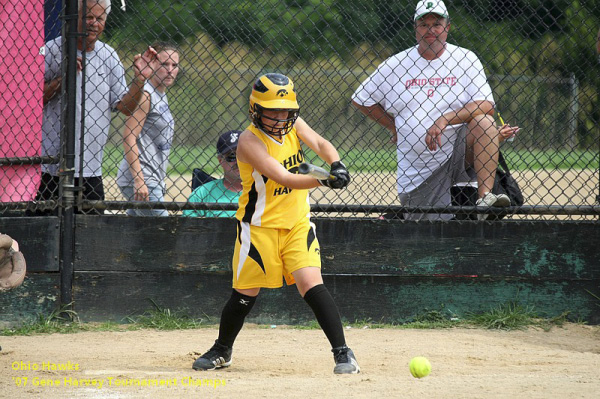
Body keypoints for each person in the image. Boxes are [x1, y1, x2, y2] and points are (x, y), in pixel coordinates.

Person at [192, 73, 359, 374]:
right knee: (245, 293)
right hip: (259, 227)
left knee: (310, 282)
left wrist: (336, 164)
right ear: (256, 109)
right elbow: (284, 177)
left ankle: (343, 353)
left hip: (296, 222)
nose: (280, 117)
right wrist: (325, 181)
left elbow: (321, 143)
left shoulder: (293, 124)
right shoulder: (249, 140)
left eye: (285, 110)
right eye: (272, 110)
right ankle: (222, 349)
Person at [352, 0, 519, 221]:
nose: (430, 30)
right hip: (420, 173)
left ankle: (485, 198)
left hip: (459, 156)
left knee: (484, 122)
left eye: (437, 24)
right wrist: (394, 127)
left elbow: (486, 106)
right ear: (415, 28)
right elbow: (361, 99)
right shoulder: (396, 64)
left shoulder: (465, 59)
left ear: (447, 27)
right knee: (428, 231)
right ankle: (400, 217)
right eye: (424, 24)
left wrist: (445, 119)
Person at [37, 0, 156, 214]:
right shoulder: (52, 50)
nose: (94, 23)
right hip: (50, 169)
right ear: (76, 18)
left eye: (99, 19)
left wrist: (139, 80)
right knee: (46, 229)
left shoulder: (109, 56)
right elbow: (32, 101)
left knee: (90, 233)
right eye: (88, 17)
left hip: (90, 169)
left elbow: (125, 107)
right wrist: (63, 78)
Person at [116, 42, 180, 216]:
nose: (170, 69)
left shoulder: (161, 93)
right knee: (163, 234)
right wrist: (139, 180)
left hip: (152, 178)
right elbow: (129, 137)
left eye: (174, 65)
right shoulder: (146, 94)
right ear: (153, 64)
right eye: (164, 64)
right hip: (142, 179)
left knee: (139, 235)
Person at [182, 130, 243, 218]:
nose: (239, 161)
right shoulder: (202, 194)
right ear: (220, 160)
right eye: (232, 156)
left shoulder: (264, 190)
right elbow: (188, 229)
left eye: (243, 155)